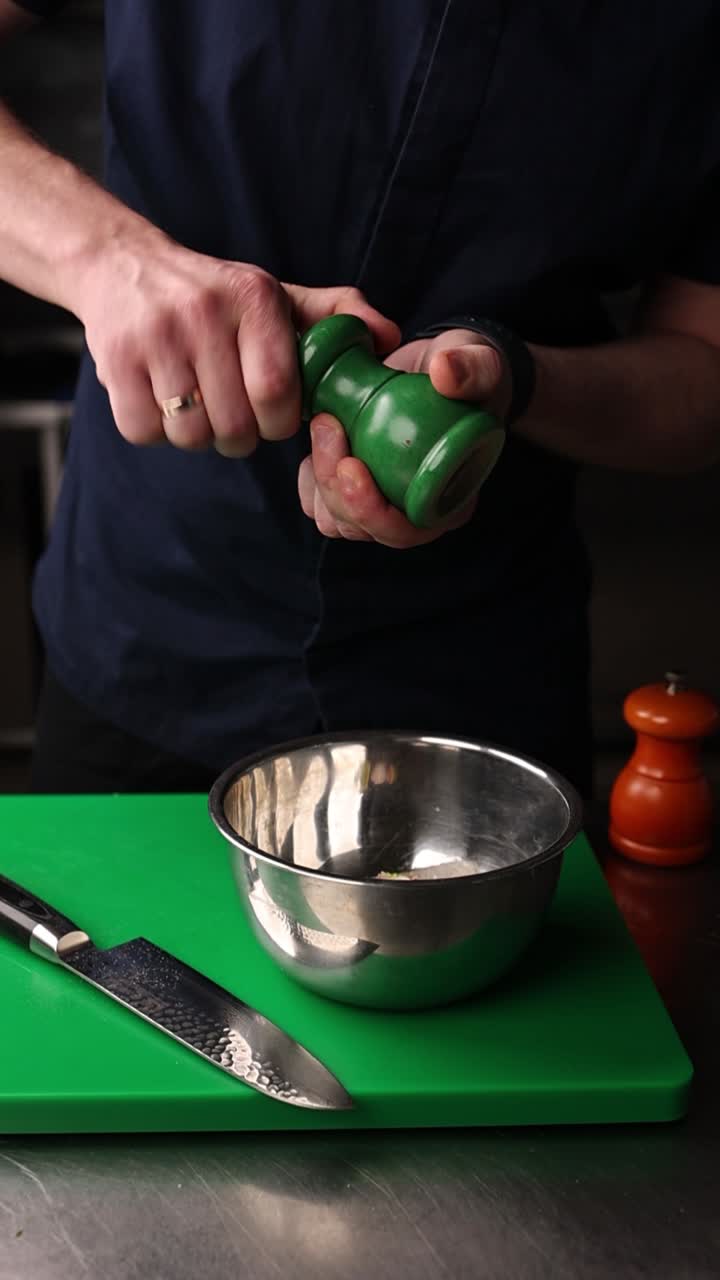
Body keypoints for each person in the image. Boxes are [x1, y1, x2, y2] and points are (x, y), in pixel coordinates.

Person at [2, 1, 720, 803]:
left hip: (480, 671)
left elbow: (704, 372)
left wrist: (515, 378)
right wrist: (107, 260)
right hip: (144, 631)